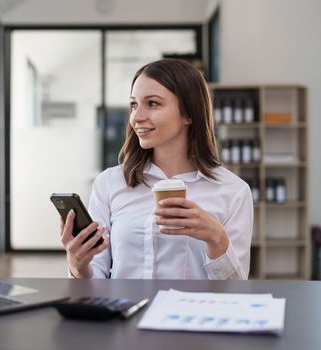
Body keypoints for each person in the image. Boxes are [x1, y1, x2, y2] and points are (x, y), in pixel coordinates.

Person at [59, 58, 253, 280]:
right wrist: (77, 266)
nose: (137, 117)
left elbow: (236, 290)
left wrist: (216, 238)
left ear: (189, 113)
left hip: (191, 313)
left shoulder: (233, 191)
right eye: (134, 104)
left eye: (152, 103)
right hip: (126, 313)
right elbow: (96, 281)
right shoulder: (110, 183)